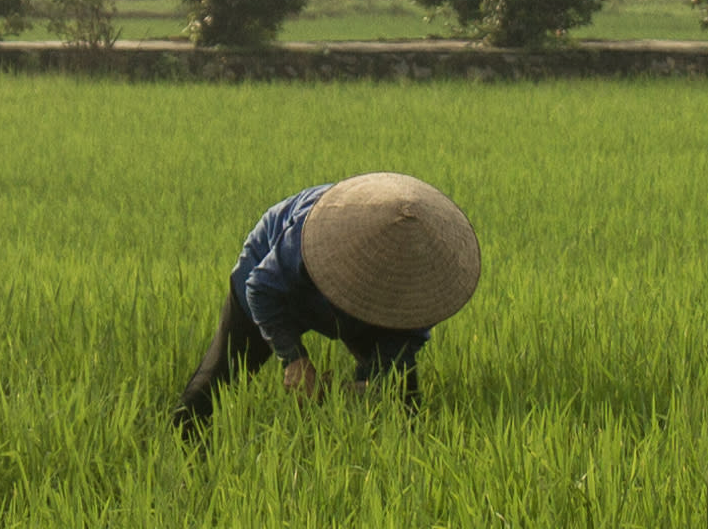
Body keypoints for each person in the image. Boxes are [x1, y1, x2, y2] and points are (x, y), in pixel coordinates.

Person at [174, 171, 482, 430]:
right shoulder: (311, 237)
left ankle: (405, 466)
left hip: (363, 305)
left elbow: (401, 345)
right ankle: (183, 445)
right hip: (279, 283)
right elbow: (261, 289)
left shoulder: (421, 286)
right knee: (212, 384)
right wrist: (293, 359)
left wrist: (363, 385)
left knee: (403, 395)